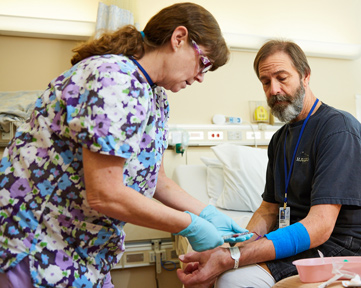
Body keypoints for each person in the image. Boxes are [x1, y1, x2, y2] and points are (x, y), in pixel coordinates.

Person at [0, 3, 251, 287]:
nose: (200, 77)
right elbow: (105, 194)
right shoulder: (112, 78)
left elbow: (154, 178)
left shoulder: (154, 96)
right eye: (204, 63)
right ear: (178, 39)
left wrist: (206, 213)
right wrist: (188, 225)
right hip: (36, 244)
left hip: (81, 253)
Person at [177, 40, 361, 287]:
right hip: (299, 237)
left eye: (282, 78)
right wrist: (237, 246)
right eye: (265, 82)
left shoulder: (338, 130)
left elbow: (320, 226)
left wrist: (233, 259)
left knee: (234, 280)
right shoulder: (280, 139)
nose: (273, 89)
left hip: (344, 246)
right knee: (214, 269)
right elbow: (268, 209)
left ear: (305, 76)